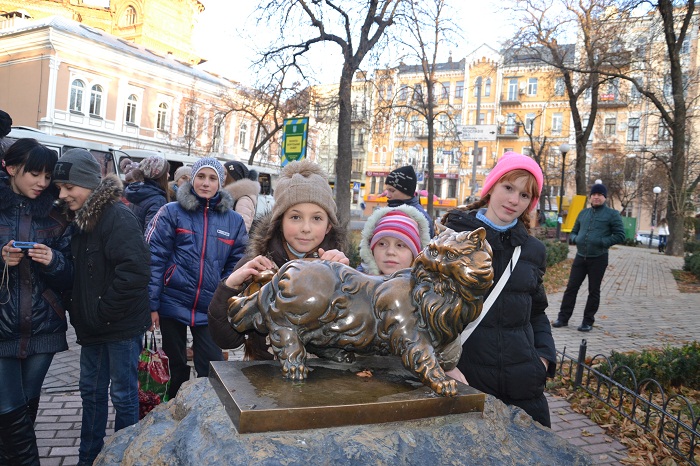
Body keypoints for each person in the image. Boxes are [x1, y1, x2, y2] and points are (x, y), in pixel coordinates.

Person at [440, 151, 556, 427]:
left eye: (525, 195)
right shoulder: (453, 240)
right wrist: (445, 365)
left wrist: (543, 360)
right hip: (467, 378)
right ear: (491, 187)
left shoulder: (532, 250)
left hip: (523, 386)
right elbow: (429, 310)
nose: (514, 200)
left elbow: (537, 312)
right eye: (508, 188)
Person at [52, 148, 151, 465]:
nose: (63, 194)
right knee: (91, 394)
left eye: (69, 187)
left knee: (123, 396)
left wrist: (100, 312)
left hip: (119, 326)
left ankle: (124, 457)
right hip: (93, 327)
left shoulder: (116, 217)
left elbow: (134, 272)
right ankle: (88, 457)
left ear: (90, 184)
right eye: (60, 188)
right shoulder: (81, 219)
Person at [208, 159, 348, 359]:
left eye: (316, 218)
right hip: (264, 381)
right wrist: (229, 286)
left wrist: (348, 285)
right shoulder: (256, 265)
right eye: (295, 217)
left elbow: (356, 342)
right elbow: (225, 339)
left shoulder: (340, 268)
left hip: (323, 384)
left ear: (328, 226)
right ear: (279, 222)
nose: (306, 228)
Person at [145, 157, 247, 399]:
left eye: (212, 178)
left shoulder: (234, 221)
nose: (205, 183)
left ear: (221, 183)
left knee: (211, 369)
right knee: (175, 367)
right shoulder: (171, 212)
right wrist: (151, 305)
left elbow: (238, 261)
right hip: (172, 301)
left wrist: (223, 292)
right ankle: (172, 413)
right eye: (201, 176)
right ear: (192, 179)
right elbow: (154, 258)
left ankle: (204, 415)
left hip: (209, 306)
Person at [0, 139, 72, 465]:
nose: (42, 183)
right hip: (2, 327)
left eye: (47, 175)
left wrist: (54, 260)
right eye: (34, 174)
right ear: (11, 168)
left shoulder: (57, 216)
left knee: (27, 408)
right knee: (8, 409)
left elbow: (71, 276)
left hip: (44, 327)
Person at [553, 182, 625, 332]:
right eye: (594, 195)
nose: (596, 197)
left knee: (594, 290)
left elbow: (620, 235)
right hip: (580, 257)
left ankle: (587, 322)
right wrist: (575, 238)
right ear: (590, 197)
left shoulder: (612, 215)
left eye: (599, 195)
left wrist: (602, 242)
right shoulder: (583, 213)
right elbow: (574, 231)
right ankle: (563, 318)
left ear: (604, 197)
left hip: (598, 258)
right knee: (571, 288)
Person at [358, 205, 431, 276]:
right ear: (371, 251)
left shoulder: (428, 287)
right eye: (382, 244)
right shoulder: (355, 284)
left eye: (400, 245)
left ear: (415, 255)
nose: (390, 252)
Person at [384, 165, 434, 237]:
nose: (387, 195)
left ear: (406, 192)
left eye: (392, 191)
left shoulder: (420, 217)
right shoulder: (388, 211)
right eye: (387, 190)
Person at [123, 155, 170, 230]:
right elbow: (152, 235)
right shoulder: (158, 200)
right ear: (157, 174)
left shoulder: (137, 191)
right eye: (166, 172)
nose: (168, 175)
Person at [223, 160, 261, 232]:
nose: (222, 177)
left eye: (225, 174)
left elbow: (241, 231)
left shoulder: (244, 200)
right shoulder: (233, 197)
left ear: (233, 177)